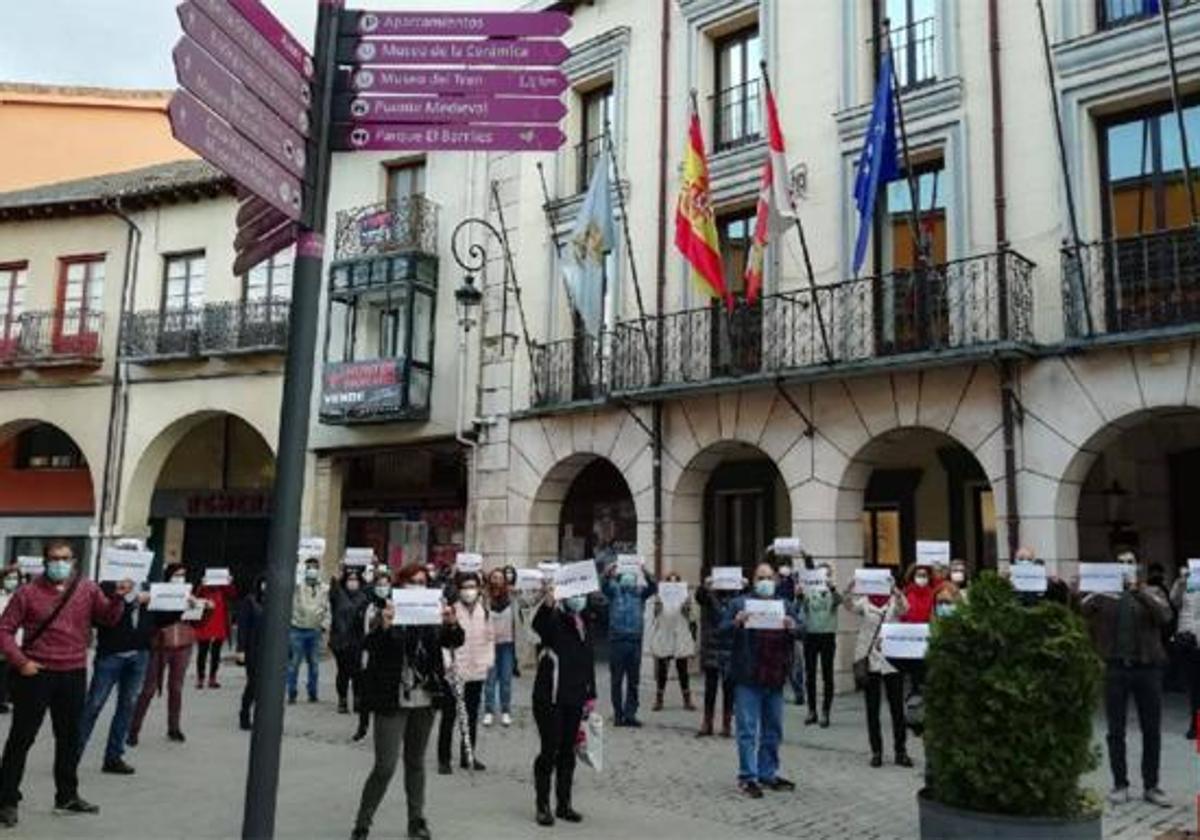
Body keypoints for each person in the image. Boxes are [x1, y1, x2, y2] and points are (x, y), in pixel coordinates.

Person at [0, 540, 127, 825]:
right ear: (45, 562)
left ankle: (67, 796)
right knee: (21, 738)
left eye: (66, 558)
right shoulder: (27, 592)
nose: (61, 563)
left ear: (74, 561)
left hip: (73, 672)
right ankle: (6, 799)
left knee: (69, 738)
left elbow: (107, 618)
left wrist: (118, 598)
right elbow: (4, 631)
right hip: (36, 673)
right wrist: (22, 662)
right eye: (55, 559)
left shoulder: (87, 588)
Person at [351, 564, 463, 840]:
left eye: (423, 581)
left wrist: (450, 621)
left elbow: (454, 640)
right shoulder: (386, 612)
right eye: (412, 582)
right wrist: (386, 626)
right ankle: (363, 822)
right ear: (401, 586)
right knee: (385, 766)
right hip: (392, 698)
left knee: (415, 762)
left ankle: (417, 819)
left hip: (424, 697)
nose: (418, 586)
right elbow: (371, 646)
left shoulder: (432, 616)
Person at [1079, 549, 1172, 808]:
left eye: (1130, 563)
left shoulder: (1152, 592)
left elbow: (1164, 616)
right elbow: (1081, 609)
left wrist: (1139, 591)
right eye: (1120, 563)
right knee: (1115, 730)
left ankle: (1152, 785)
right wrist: (1089, 588)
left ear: (1137, 567)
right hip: (1115, 668)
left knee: (1151, 729)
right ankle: (1120, 784)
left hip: (1147, 669)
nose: (1125, 567)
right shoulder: (1105, 595)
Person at [722, 562, 802, 798]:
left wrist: (792, 626)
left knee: (773, 729)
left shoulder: (784, 605)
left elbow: (803, 630)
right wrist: (736, 622)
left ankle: (767, 773)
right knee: (747, 729)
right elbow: (721, 628)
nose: (765, 582)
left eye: (769, 578)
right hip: (748, 675)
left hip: (775, 675)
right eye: (761, 578)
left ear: (775, 581)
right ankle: (748, 777)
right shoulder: (740, 603)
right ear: (754, 581)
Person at [531, 581, 596, 826]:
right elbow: (540, 627)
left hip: (575, 696)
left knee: (568, 751)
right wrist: (548, 604)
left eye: (581, 594)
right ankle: (542, 805)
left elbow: (587, 659)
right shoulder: (554, 620)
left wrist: (591, 694)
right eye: (573, 594)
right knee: (550, 749)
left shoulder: (584, 622)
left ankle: (564, 803)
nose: (577, 599)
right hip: (550, 697)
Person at [77, 578, 153, 774]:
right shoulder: (107, 586)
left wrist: (181, 606)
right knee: (94, 704)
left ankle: (114, 757)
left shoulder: (145, 586)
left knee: (127, 706)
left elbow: (158, 619)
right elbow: (104, 617)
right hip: (111, 655)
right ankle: (72, 756)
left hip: (139, 654)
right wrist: (130, 601)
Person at [128, 563, 199, 745]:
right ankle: (133, 729)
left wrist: (195, 607)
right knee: (148, 689)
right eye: (176, 574)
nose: (180, 578)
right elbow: (152, 620)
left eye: (183, 575)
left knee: (176, 687)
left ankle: (174, 727)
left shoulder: (187, 594)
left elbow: (198, 621)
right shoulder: (158, 592)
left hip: (182, 644)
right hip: (160, 644)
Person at [844, 579, 912, 768]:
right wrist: (849, 589)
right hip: (870, 659)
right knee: (872, 709)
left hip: (892, 659)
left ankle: (901, 751)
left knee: (897, 708)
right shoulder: (865, 601)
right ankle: (876, 752)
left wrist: (896, 591)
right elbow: (848, 606)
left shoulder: (893, 600)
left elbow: (905, 609)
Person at [437, 572, 493, 774]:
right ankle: (444, 759)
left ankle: (468, 755)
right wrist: (447, 666)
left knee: (470, 717)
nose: (469, 590)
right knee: (449, 716)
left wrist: (488, 662)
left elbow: (489, 638)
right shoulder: (451, 611)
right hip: (454, 670)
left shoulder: (484, 611)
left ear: (478, 589)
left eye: (473, 586)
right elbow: (443, 642)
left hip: (477, 671)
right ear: (459, 589)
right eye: (465, 586)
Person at [601, 563, 657, 727]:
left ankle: (630, 714)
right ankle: (618, 714)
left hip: (634, 641)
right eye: (625, 576)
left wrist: (645, 571)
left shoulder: (640, 593)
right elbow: (604, 585)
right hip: (617, 641)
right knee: (616, 681)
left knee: (633, 681)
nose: (628, 579)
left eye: (631, 577)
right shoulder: (614, 590)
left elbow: (653, 586)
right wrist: (607, 572)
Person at [693, 573, 738, 737]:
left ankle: (727, 723)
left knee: (729, 690)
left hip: (730, 649)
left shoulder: (736, 599)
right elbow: (699, 596)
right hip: (712, 648)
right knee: (710, 689)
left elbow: (749, 601)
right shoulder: (708, 596)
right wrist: (705, 585)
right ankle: (707, 722)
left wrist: (745, 585)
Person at [353, 567, 394, 742]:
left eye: (385, 585)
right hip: (369, 653)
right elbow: (360, 628)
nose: (382, 588)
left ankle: (386, 731)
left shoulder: (394, 605)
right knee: (365, 693)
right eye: (379, 585)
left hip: (389, 656)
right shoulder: (368, 606)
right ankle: (362, 726)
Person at [799, 563, 841, 728]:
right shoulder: (809, 590)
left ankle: (825, 711)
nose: (825, 577)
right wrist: (800, 596)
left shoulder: (833, 591)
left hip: (827, 635)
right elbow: (802, 610)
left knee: (827, 674)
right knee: (810, 674)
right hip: (810, 635)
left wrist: (831, 588)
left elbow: (840, 601)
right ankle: (811, 710)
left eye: (828, 574)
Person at [646, 572, 696, 711]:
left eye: (676, 582)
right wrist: (658, 603)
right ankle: (659, 699)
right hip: (664, 632)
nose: (673, 584)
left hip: (680, 632)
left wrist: (686, 605)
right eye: (670, 582)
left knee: (682, 669)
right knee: (662, 668)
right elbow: (655, 615)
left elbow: (690, 616)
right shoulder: (660, 596)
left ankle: (687, 699)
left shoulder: (685, 596)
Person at [288, 557, 329, 704]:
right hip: (297, 629)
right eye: (309, 567)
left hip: (314, 630)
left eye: (314, 567)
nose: (312, 570)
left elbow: (327, 609)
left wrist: (324, 625)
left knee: (314, 664)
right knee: (294, 663)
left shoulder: (324, 588)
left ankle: (313, 692)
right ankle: (291, 692)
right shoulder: (298, 586)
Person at [330, 566, 369, 715]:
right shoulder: (339, 595)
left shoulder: (363, 597)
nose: (352, 583)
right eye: (350, 579)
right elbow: (333, 590)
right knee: (343, 672)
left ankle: (357, 699)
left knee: (358, 673)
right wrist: (337, 576)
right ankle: (343, 700)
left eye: (355, 580)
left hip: (358, 641)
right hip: (340, 640)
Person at [482, 568, 516, 727]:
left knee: (506, 679)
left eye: (500, 577)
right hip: (489, 644)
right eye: (493, 577)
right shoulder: (484, 598)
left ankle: (505, 711)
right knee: (490, 680)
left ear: (505, 580)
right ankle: (489, 710)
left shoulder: (512, 597)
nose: (496, 580)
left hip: (507, 644)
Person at [1171, 565, 1200, 738]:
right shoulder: (1186, 582)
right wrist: (1182, 581)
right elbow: (1174, 601)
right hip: (1189, 641)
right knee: (1195, 687)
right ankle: (1195, 726)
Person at [236, 577, 265, 731]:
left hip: (269, 650)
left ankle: (262, 717)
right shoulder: (250, 601)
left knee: (266, 686)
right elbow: (243, 627)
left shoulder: (275, 601)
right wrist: (241, 650)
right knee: (253, 684)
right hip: (253, 649)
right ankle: (245, 714)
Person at [193, 576, 233, 690]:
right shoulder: (204, 588)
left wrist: (229, 583)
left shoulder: (223, 588)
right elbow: (196, 598)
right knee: (202, 653)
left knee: (216, 654)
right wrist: (202, 584)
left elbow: (232, 594)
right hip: (204, 625)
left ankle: (212, 678)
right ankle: (200, 678)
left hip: (219, 625)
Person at [0, 568, 20, 714]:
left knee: (13, 672)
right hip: (3, 641)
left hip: (18, 641)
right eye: (9, 578)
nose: (12, 581)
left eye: (15, 578)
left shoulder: (20, 596)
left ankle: (10, 698)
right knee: (3, 672)